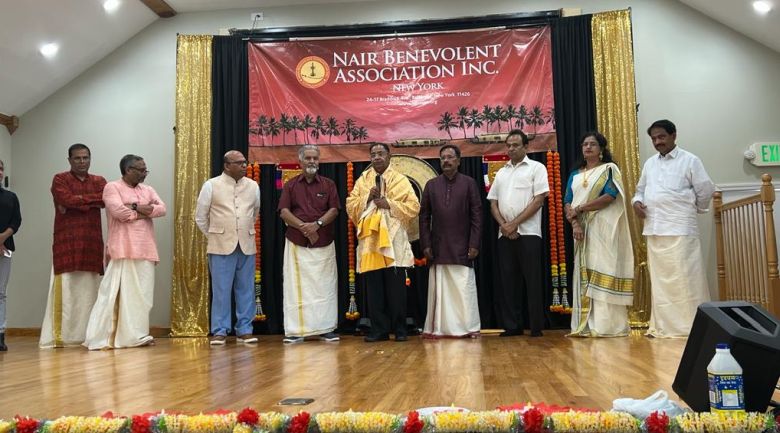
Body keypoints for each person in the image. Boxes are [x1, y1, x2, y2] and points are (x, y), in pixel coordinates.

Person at [633, 119, 715, 338]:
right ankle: (663, 327)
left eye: (661, 137)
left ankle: (690, 328)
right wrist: (636, 202)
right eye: (654, 139)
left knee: (686, 280)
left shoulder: (690, 160)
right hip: (654, 228)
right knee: (661, 283)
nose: (657, 142)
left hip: (681, 228)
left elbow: (706, 189)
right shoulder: (650, 163)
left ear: (673, 135)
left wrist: (693, 209)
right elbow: (640, 190)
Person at [83, 155, 166, 350]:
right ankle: (113, 337)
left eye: (145, 170)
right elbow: (120, 213)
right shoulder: (112, 187)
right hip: (122, 249)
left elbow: (162, 209)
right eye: (141, 170)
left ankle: (137, 335)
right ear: (128, 170)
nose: (145, 173)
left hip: (146, 248)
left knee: (142, 297)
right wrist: (143, 211)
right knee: (119, 296)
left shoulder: (148, 189)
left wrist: (134, 207)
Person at [346, 143, 420, 342]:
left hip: (394, 242)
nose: (377, 157)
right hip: (371, 242)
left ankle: (400, 330)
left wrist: (389, 204)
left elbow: (414, 207)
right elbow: (350, 205)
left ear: (389, 156)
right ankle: (379, 330)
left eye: (380, 154)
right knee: (375, 290)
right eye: (373, 154)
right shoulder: (363, 180)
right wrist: (366, 198)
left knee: (396, 290)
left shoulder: (400, 180)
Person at [564, 132, 634, 337]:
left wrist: (580, 208)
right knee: (585, 271)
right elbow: (568, 201)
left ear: (601, 149)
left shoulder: (609, 169)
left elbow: (610, 196)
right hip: (581, 230)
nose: (588, 147)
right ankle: (585, 324)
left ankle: (607, 325)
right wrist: (575, 224)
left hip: (603, 228)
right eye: (585, 144)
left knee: (603, 267)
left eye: (592, 144)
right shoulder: (575, 174)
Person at [40, 144, 107, 349]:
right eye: (77, 158)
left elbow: (104, 200)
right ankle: (64, 337)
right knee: (67, 292)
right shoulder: (60, 179)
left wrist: (77, 202)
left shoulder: (99, 181)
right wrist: (89, 202)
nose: (82, 162)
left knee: (91, 293)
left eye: (85, 158)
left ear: (90, 159)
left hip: (91, 244)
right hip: (66, 245)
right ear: (69, 160)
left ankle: (90, 335)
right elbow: (66, 199)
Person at [486, 129, 549, 337]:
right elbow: (493, 203)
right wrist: (505, 226)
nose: (511, 149)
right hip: (504, 234)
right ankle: (513, 325)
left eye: (515, 145)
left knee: (532, 281)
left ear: (526, 147)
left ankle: (536, 326)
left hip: (529, 233)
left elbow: (538, 201)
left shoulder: (537, 168)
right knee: (508, 282)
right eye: (508, 145)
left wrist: (514, 224)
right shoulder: (501, 172)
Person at [195, 150, 261, 346]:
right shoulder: (211, 185)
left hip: (246, 244)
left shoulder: (253, 186)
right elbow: (200, 217)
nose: (244, 165)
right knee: (221, 290)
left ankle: (245, 330)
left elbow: (255, 212)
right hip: (220, 246)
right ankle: (220, 330)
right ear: (226, 166)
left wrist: (241, 231)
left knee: (246, 289)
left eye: (244, 162)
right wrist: (216, 235)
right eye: (239, 163)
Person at [278, 145, 341, 344]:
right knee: (296, 288)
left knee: (325, 287)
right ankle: (296, 331)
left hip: (324, 242)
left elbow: (334, 210)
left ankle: (326, 329)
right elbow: (284, 212)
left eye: (315, 158)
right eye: (308, 158)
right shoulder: (290, 185)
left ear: (319, 161)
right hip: (297, 242)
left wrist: (317, 225)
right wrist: (304, 227)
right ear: (300, 162)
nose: (312, 161)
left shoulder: (329, 184)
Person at [419, 145, 482, 338]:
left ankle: (468, 327)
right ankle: (440, 328)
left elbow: (477, 216)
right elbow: (424, 217)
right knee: (442, 290)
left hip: (463, 245)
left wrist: (474, 244)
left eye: (450, 157)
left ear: (459, 160)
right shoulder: (431, 185)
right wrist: (426, 244)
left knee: (463, 288)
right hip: (438, 246)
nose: (446, 161)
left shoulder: (469, 183)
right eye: (443, 158)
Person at [0, 159, 21, 351]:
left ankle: (0, 334)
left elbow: (16, 220)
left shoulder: (11, 197)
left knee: (1, 293)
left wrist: (2, 238)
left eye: (0, 169)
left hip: (5, 248)